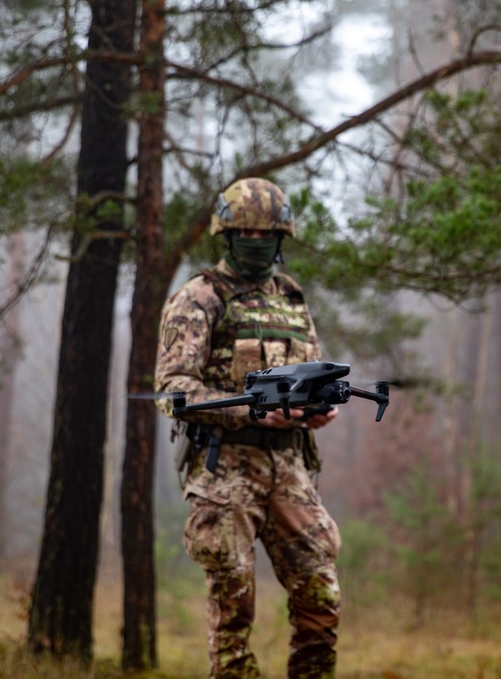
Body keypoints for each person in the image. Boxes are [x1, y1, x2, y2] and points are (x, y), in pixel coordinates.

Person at [155, 177, 341, 679]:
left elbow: (312, 371)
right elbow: (173, 391)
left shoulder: (291, 297)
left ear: (282, 240)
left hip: (289, 466)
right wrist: (249, 411)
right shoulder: (198, 298)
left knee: (321, 599)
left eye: (267, 238)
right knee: (234, 612)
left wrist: (317, 409)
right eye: (246, 237)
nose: (257, 246)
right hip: (226, 470)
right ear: (226, 236)